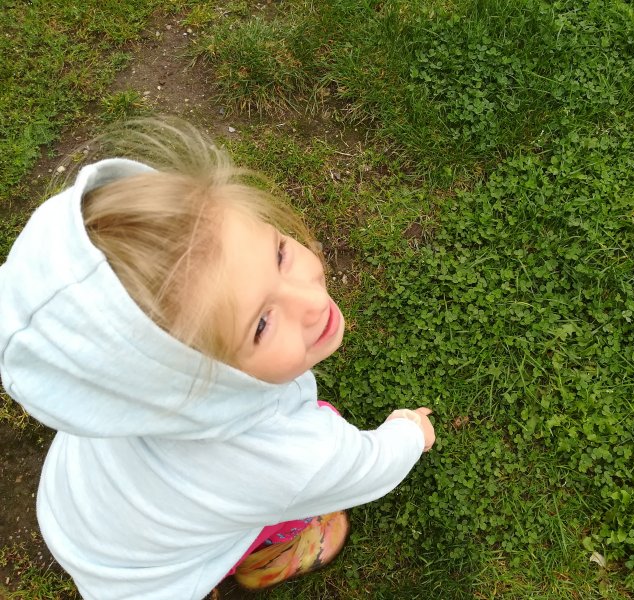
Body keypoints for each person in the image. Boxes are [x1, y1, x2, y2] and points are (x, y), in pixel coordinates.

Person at [0, 118, 435, 599]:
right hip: (150, 580)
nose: (313, 301)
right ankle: (272, 553)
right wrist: (409, 433)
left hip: (80, 513)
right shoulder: (290, 457)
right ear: (186, 386)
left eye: (279, 255)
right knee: (293, 504)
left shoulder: (121, 393)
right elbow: (365, 466)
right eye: (261, 325)